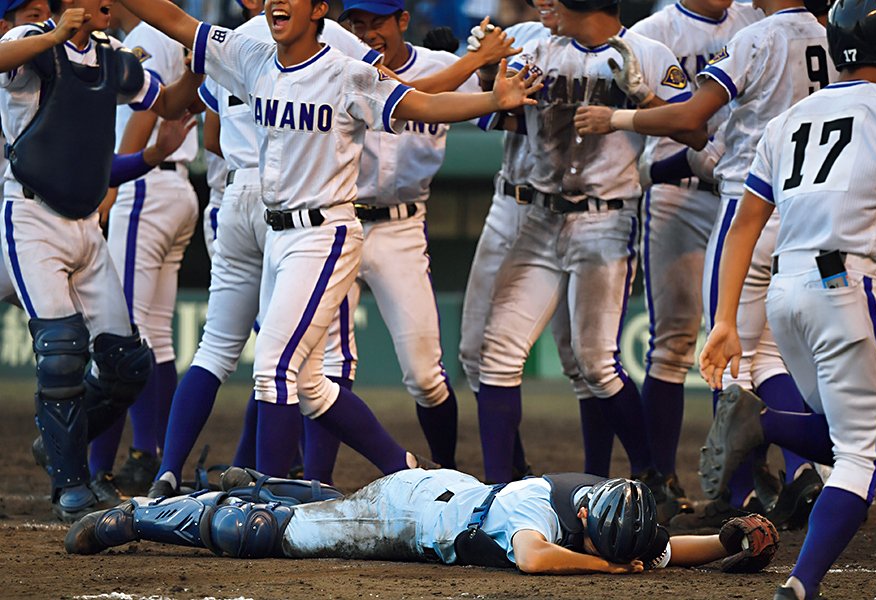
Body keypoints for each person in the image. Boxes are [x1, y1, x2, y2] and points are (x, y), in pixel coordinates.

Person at [117, 0, 540, 489]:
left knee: (274, 370)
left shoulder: (347, 71)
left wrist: (492, 100)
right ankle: (407, 472)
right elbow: (176, 20)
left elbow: (421, 103)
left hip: (324, 232)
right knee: (313, 386)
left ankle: (266, 501)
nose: (277, 2)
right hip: (276, 232)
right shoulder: (251, 55)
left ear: (318, 9)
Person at [574, 0, 835, 527]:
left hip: (745, 199)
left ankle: (751, 485)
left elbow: (695, 118)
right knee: (767, 353)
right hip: (801, 204)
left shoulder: (757, 35)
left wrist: (619, 114)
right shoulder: (830, 38)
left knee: (728, 349)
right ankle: (800, 472)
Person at [697, 0, 876, 597]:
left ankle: (763, 422)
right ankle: (800, 585)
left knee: (833, 435)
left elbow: (744, 225)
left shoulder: (790, 119)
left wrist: (726, 320)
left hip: (784, 292)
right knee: (862, 460)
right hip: (845, 285)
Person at [473, 0, 701, 488]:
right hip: (538, 214)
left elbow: (694, 129)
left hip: (605, 219)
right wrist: (487, 73)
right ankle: (494, 494)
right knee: (496, 354)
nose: (544, 5)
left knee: (595, 362)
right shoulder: (534, 45)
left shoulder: (649, 53)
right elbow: (502, 116)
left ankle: (651, 475)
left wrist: (639, 99)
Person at [0, 0, 206, 520]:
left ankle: (59, 443)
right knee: (63, 350)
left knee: (126, 365)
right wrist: (52, 37)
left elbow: (169, 102)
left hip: (87, 223)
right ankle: (71, 483)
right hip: (31, 215)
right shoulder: (32, 40)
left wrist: (197, 72)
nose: (111, 5)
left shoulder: (113, 57)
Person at [307, 0, 486, 479]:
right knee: (327, 368)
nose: (368, 32)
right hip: (339, 220)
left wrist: (488, 62)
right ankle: (315, 483)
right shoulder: (336, 66)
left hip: (401, 226)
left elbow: (494, 111)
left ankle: (448, 473)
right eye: (358, 23)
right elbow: (402, 94)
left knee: (426, 375)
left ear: (402, 20)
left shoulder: (442, 67)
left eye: (378, 22)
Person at [65, 466, 779, 579]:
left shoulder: (606, 509)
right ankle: (140, 514)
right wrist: (609, 569)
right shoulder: (540, 514)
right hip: (410, 514)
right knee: (270, 537)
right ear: (588, 523)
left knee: (320, 510)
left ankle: (253, 481)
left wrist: (722, 542)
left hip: (441, 491)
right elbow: (533, 558)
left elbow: (652, 550)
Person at [628, 0, 760, 527]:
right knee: (674, 342)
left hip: (749, 194)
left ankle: (740, 485)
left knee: (746, 343)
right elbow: (638, 135)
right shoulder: (653, 32)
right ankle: (659, 478)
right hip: (679, 192)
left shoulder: (758, 23)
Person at [85, 3, 205, 499]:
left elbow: (145, 113)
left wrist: (111, 189)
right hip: (174, 189)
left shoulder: (148, 36)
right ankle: (149, 455)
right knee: (155, 334)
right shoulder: (162, 33)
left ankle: (102, 466)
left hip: (145, 187)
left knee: (119, 333)